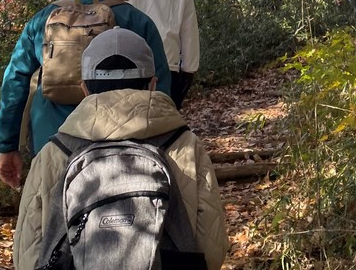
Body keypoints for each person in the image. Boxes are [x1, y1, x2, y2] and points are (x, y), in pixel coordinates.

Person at [14, 28, 229, 270]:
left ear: (84, 89)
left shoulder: (54, 152)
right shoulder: (186, 144)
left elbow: (28, 255)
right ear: (152, 85)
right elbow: (212, 249)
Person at [0, 0, 172, 189]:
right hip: (121, 144)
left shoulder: (44, 19)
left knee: (50, 214)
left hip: (52, 142)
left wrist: (8, 145)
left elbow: (15, 80)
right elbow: (161, 88)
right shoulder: (138, 22)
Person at [128, 0, 199, 110]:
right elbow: (188, 30)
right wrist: (189, 69)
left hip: (136, 61)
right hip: (169, 63)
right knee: (166, 119)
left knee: (137, 117)